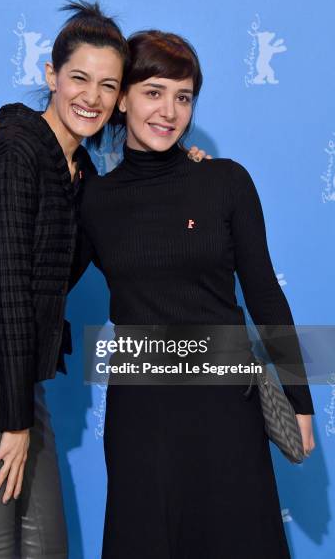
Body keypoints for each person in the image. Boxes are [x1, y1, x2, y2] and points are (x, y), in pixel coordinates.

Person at [0, 0, 208, 558]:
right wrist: (14, 423)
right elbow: (10, 289)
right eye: (79, 78)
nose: (92, 97)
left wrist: (179, 174)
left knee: (45, 550)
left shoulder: (72, 171)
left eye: (108, 85)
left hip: (16, 383)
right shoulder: (16, 154)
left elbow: (77, 262)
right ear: (51, 76)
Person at [77, 30, 316, 558]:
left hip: (226, 404)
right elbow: (45, 282)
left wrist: (300, 401)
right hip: (143, 411)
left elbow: (265, 297)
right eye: (154, 92)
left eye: (183, 97)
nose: (169, 110)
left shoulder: (226, 182)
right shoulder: (92, 199)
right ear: (121, 100)